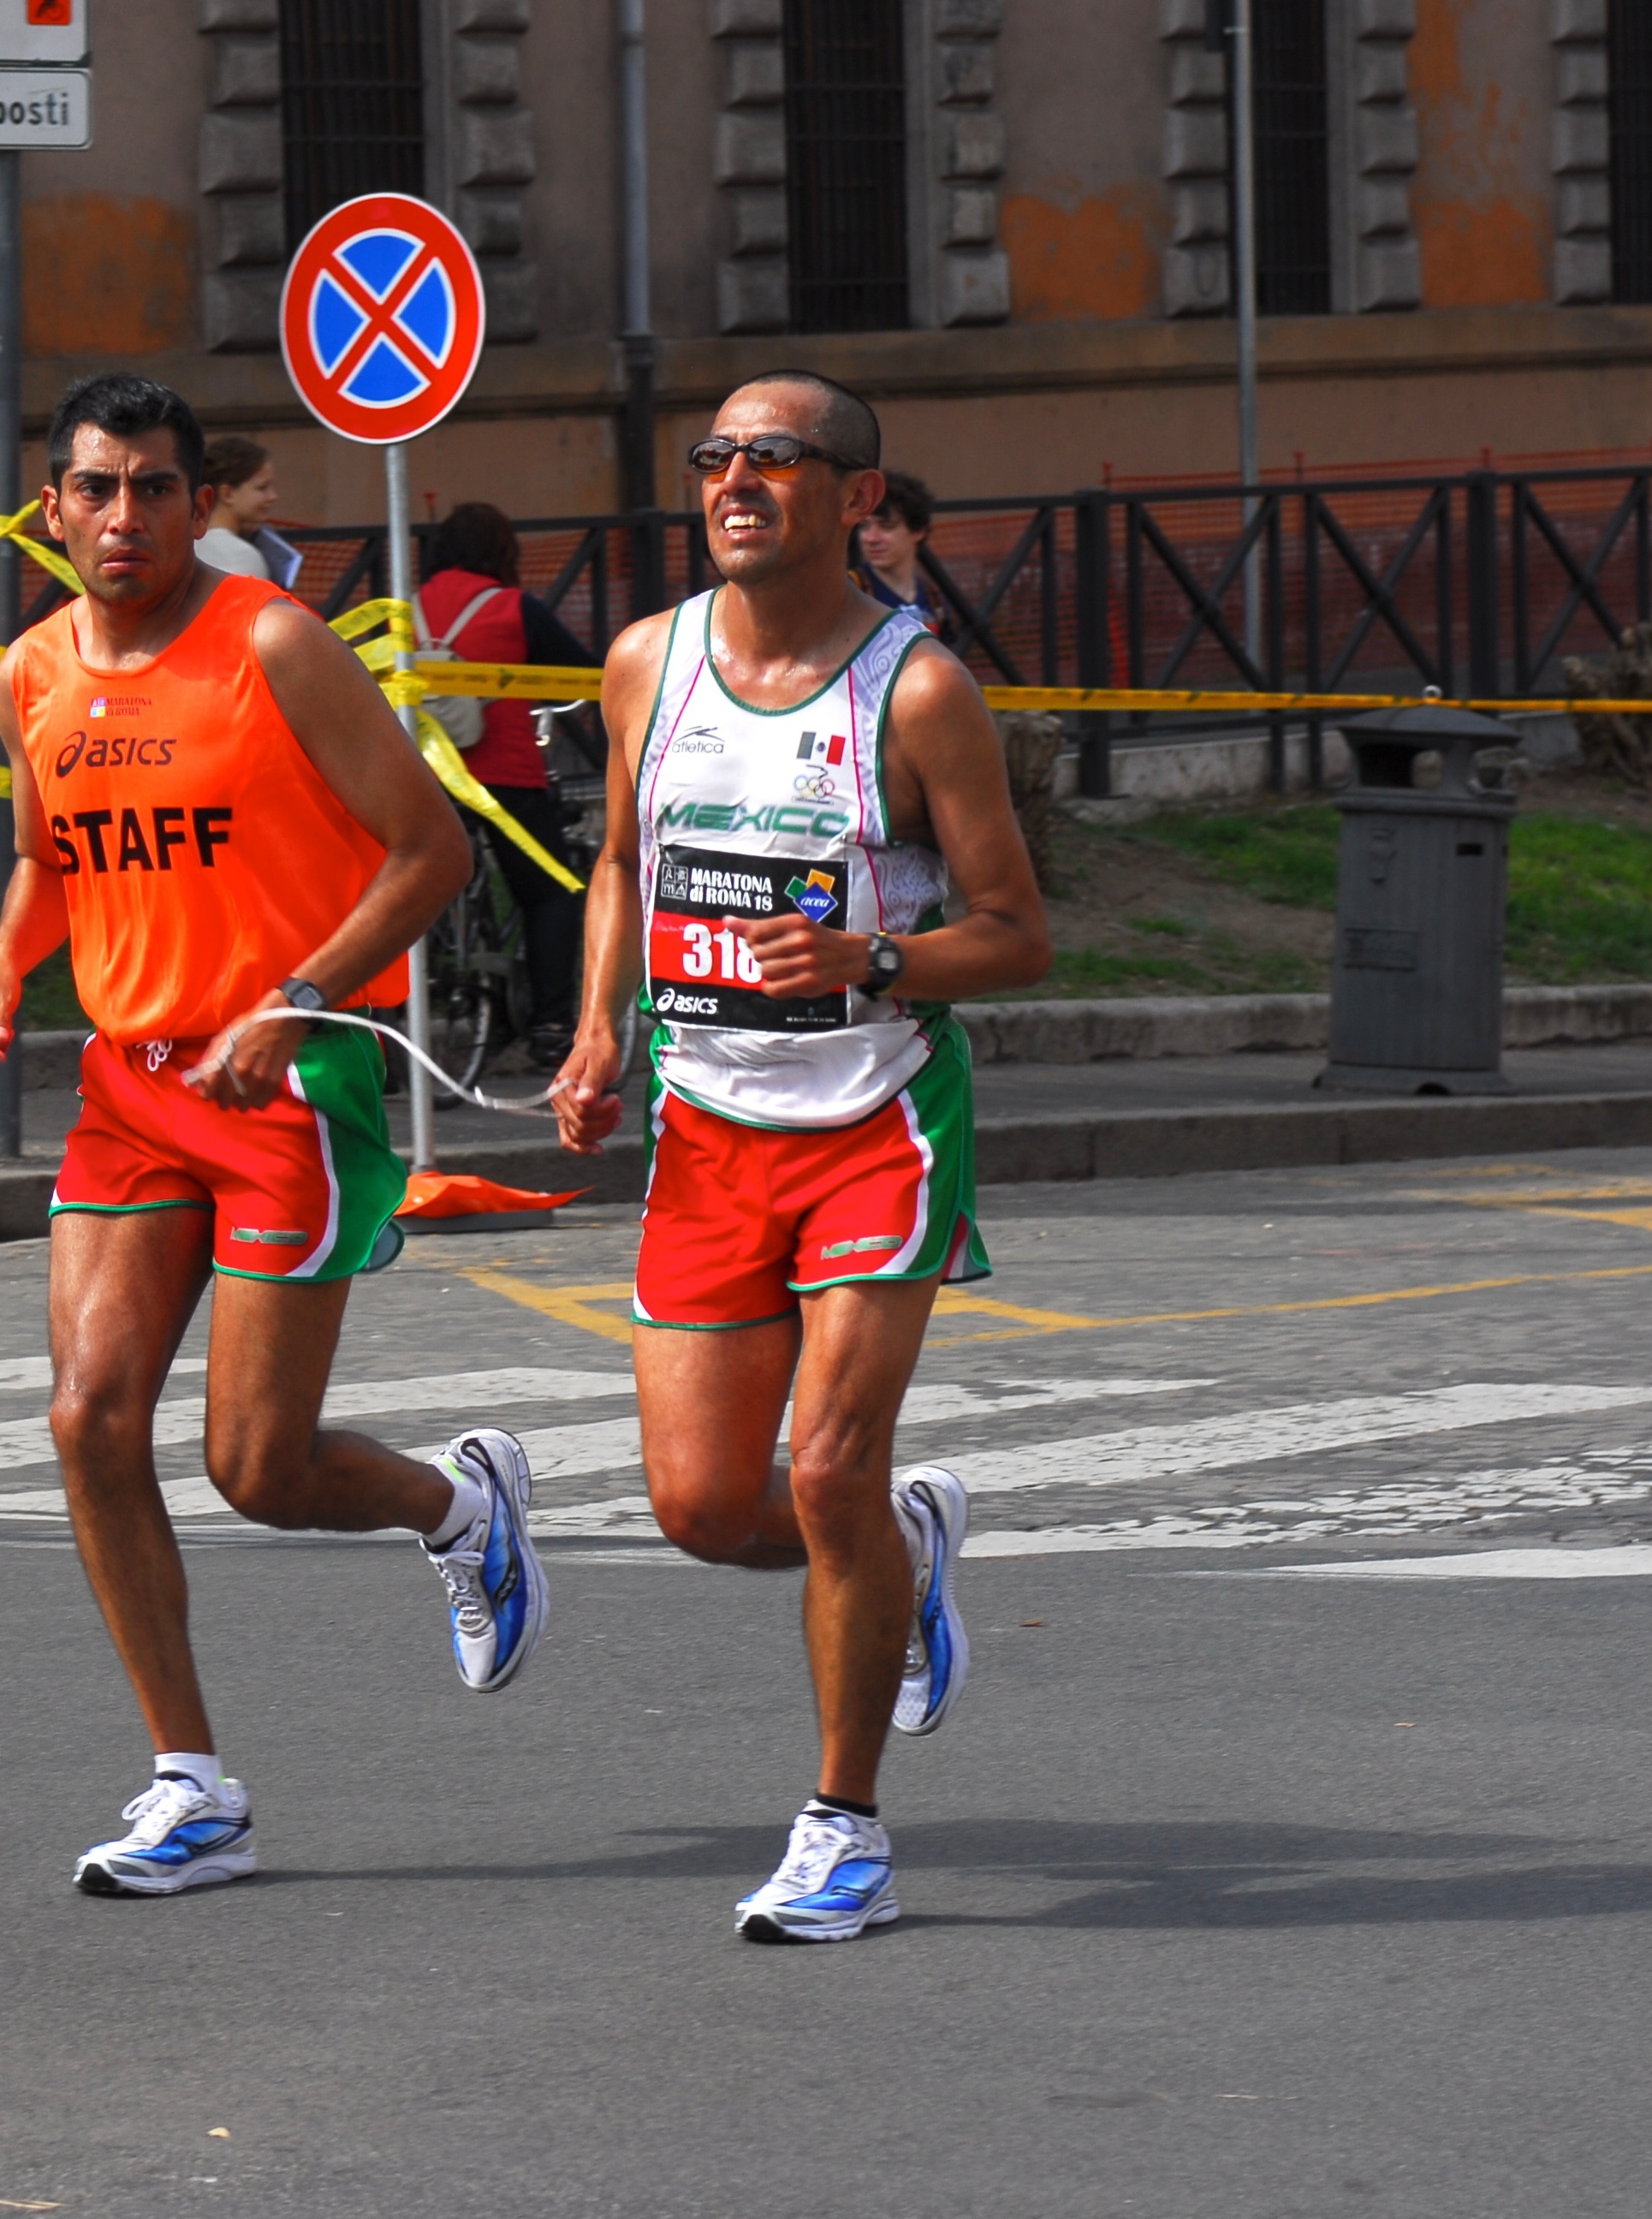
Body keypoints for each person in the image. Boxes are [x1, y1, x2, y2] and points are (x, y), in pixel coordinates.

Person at [0, 374, 544, 1897]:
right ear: (57, 505)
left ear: (198, 502)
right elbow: (49, 857)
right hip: (133, 1090)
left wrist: (293, 995)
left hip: (290, 1083)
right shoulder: (28, 672)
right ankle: (190, 1783)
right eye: (99, 489)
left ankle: (459, 1508)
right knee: (88, 1416)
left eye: (158, 487)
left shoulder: (270, 647)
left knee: (257, 1467)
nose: (128, 516)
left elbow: (433, 849)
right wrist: (5, 959)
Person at [550, 373, 1051, 1943]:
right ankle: (899, 1558)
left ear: (857, 497)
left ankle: (843, 1826)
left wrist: (869, 960)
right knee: (703, 1506)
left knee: (826, 1464)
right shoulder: (648, 659)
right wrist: (594, 1030)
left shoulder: (916, 694)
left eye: (778, 456)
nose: (738, 478)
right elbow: (624, 859)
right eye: (716, 457)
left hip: (873, 1124)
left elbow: (1017, 936)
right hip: (705, 1126)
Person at [415, 502, 601, 1068]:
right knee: (551, 891)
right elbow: (584, 670)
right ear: (504, 553)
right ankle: (549, 1025)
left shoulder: (408, 609)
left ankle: (390, 1027)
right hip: (504, 777)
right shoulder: (513, 607)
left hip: (424, 777)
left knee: (405, 891)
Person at [193, 434, 302, 589]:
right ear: (227, 494)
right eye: (262, 488)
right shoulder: (242, 557)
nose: (273, 497)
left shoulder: (187, 547)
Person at [851, 470, 941, 629]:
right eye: (864, 527)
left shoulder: (934, 598)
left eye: (887, 527)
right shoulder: (850, 590)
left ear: (918, 531)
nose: (871, 538)